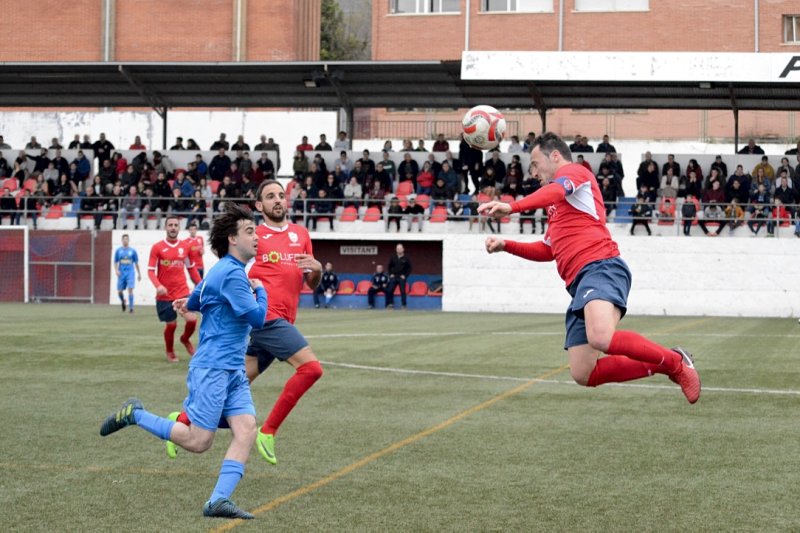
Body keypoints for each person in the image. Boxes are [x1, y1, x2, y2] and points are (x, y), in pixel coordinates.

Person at [478, 132, 700, 404]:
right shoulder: (556, 207)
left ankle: (676, 363)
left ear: (555, 156)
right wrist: (506, 244)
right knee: (584, 372)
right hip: (580, 285)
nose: (532, 171)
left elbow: (556, 189)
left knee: (601, 337)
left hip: (600, 267)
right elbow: (549, 250)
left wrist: (512, 207)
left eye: (535, 164)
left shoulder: (576, 173)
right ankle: (667, 363)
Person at [100, 203, 266, 520]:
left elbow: (196, 297)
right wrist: (263, 292)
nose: (256, 237)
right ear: (233, 239)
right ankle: (136, 415)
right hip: (213, 368)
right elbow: (257, 319)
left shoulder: (223, 272)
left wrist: (186, 303)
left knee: (246, 430)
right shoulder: (232, 274)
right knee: (198, 441)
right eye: (250, 232)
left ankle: (218, 500)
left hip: (232, 370)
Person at [165, 180, 324, 466]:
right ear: (259, 206)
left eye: (280, 195)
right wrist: (191, 300)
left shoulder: (301, 235)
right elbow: (221, 271)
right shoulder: (253, 235)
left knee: (231, 387)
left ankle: (181, 420)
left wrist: (318, 270)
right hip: (266, 318)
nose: (278, 200)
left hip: (282, 319)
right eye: (270, 196)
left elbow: (310, 280)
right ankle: (268, 431)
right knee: (311, 369)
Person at [148, 215, 202, 362]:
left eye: (175, 225)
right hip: (165, 296)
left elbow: (191, 268)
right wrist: (158, 286)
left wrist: (201, 284)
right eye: (170, 225)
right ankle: (170, 351)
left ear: (179, 228)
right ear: (165, 227)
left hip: (182, 292)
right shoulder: (157, 247)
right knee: (171, 325)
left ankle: (185, 339)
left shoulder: (185, 247)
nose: (173, 227)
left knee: (192, 320)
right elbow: (151, 270)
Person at [114, 234, 141, 313]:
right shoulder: (118, 251)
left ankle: (131, 308)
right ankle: (123, 301)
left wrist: (139, 274)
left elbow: (136, 263)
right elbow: (115, 262)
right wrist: (116, 270)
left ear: (128, 240)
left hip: (130, 273)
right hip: (121, 273)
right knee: (119, 291)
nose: (125, 240)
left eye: (126, 239)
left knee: (130, 289)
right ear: (122, 240)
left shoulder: (132, 251)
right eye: (124, 239)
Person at [385, 243, 411, 309]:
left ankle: (404, 305)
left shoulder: (406, 258)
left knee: (402, 291)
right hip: (394, 277)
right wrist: (390, 274)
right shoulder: (393, 257)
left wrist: (405, 276)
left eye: (400, 248)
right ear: (396, 250)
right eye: (397, 249)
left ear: (403, 249)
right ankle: (390, 304)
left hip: (401, 278)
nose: (399, 250)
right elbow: (389, 267)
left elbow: (409, 268)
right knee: (390, 290)